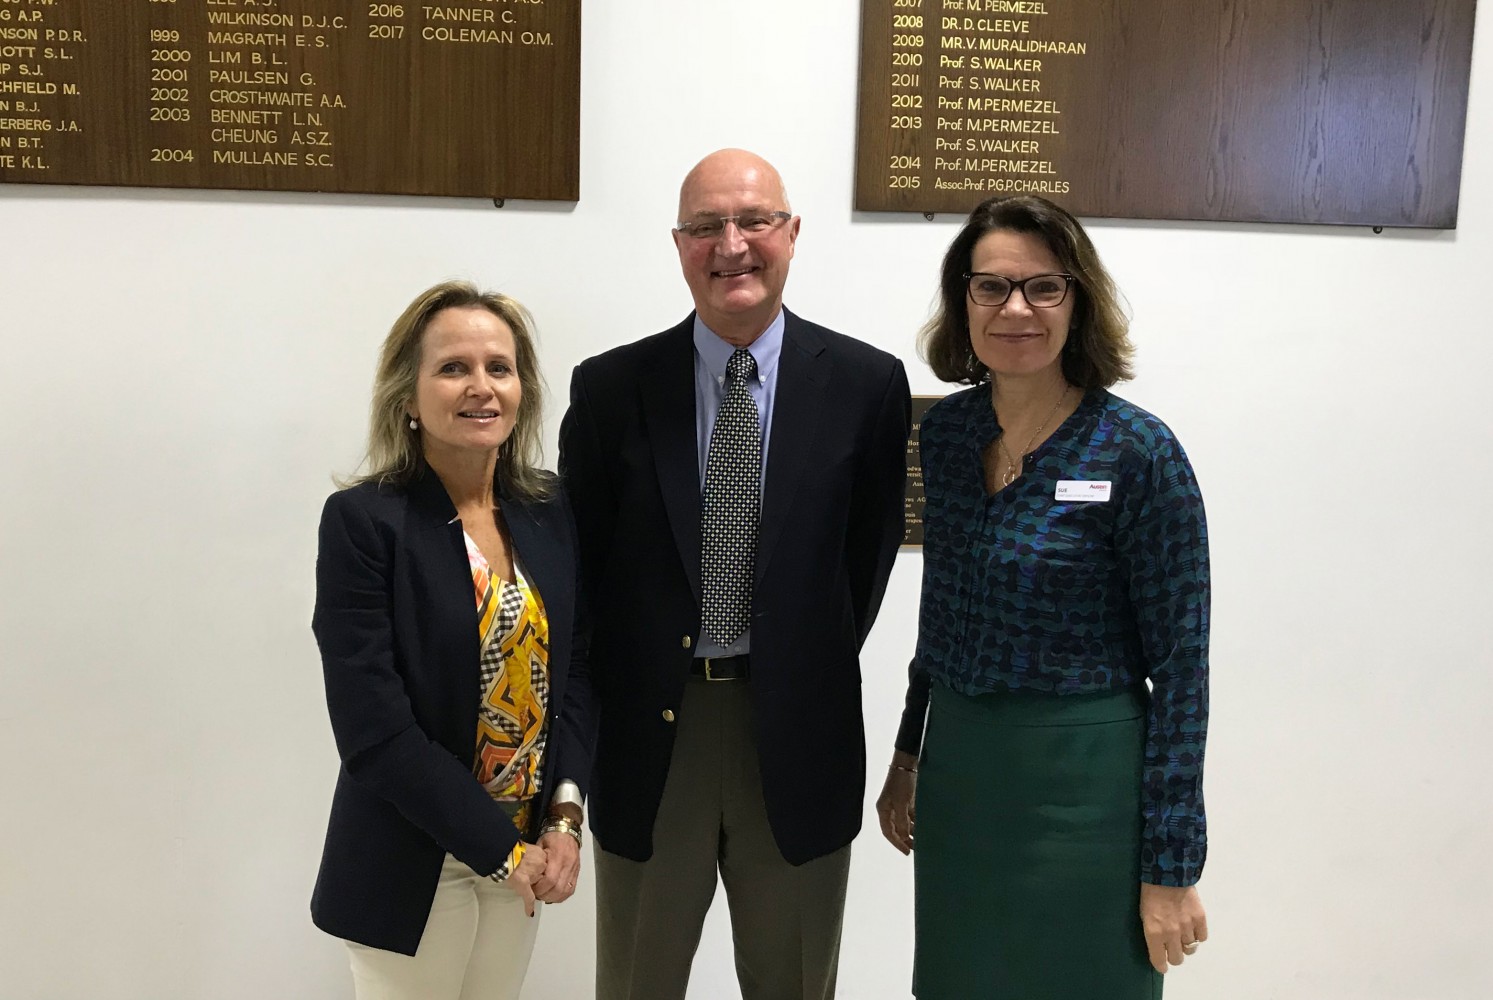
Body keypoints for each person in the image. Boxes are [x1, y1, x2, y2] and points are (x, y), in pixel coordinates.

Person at [559, 149, 911, 1000]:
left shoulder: (867, 385)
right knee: (635, 981)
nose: (732, 244)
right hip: (652, 738)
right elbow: (586, 574)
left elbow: (862, 564)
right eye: (706, 226)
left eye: (753, 221)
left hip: (795, 732)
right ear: (678, 245)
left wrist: (791, 654)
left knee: (793, 982)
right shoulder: (610, 390)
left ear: (791, 233)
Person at [876, 194, 1211, 998]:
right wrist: (907, 751)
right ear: (963, 302)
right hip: (962, 778)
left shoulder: (1138, 451)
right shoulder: (948, 436)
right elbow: (942, 609)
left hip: (1084, 789)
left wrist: (1170, 865)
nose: (1014, 308)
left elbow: (1182, 670)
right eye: (989, 287)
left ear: (1077, 301)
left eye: (1041, 288)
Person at [310, 281, 597, 1000]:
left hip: (523, 849)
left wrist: (564, 817)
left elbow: (577, 677)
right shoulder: (363, 523)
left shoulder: (549, 509)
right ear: (407, 397)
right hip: (414, 857)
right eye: (453, 368)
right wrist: (499, 850)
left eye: (499, 367)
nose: (481, 387)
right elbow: (373, 729)